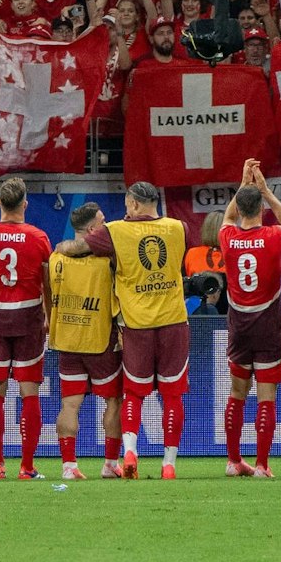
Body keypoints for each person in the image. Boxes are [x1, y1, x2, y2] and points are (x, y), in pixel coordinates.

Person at [84, 181, 190, 480]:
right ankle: (168, 465)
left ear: (133, 204)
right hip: (173, 321)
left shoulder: (115, 231)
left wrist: (63, 247)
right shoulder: (179, 227)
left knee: (133, 392)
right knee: (172, 396)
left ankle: (130, 452)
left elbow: (82, 247)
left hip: (137, 325)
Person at [217, 159, 281, 478]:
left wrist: (243, 185)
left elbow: (227, 217)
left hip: (239, 325)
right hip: (268, 325)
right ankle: (263, 465)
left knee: (237, 392)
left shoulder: (227, 237)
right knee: (266, 395)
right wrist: (265, 191)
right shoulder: (272, 236)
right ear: (262, 210)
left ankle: (233, 461)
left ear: (238, 209)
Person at [0, 177, 54, 479]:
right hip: (29, 318)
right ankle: (27, 466)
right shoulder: (39, 237)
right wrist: (48, 316)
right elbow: (47, 286)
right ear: (25, 204)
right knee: (29, 391)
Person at [49, 202, 124, 482]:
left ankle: (68, 466)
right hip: (99, 340)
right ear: (93, 229)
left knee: (70, 404)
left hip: (67, 338)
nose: (107, 226)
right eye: (103, 222)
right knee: (113, 401)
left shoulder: (56, 257)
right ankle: (109, 464)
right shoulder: (107, 261)